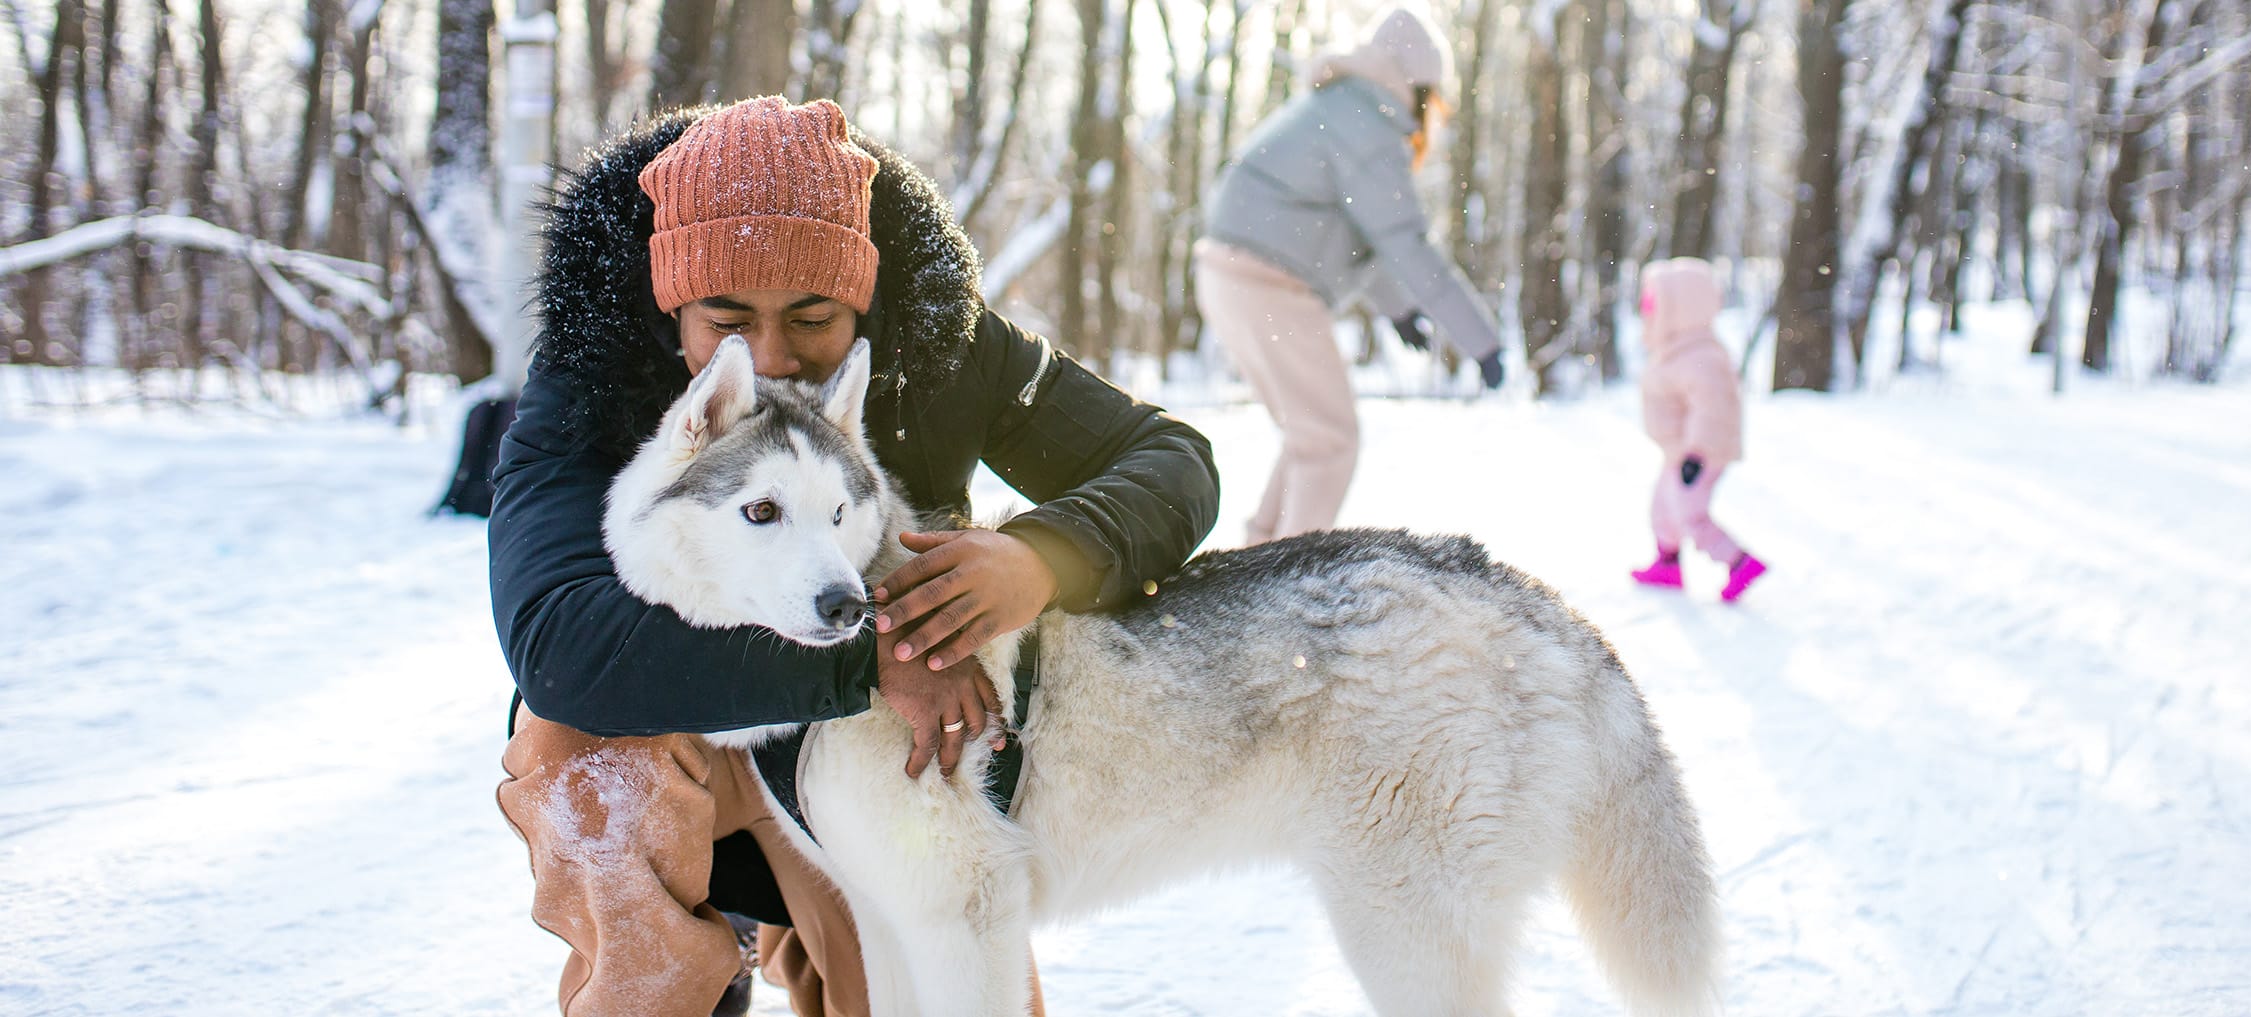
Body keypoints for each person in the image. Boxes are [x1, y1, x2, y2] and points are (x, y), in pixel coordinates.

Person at [486, 96, 1219, 1017]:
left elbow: (1171, 461)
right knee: (577, 757)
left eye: (812, 317)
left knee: (938, 976)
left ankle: (804, 933)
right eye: (726, 319)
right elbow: (558, 644)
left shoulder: (940, 348)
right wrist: (879, 655)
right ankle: (668, 985)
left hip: (874, 756)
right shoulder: (586, 381)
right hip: (690, 735)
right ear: (672, 308)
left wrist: (1040, 556)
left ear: (864, 300)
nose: (774, 356)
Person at [1193, 5, 1506, 547]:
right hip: (1268, 286)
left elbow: (1355, 241)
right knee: (1330, 441)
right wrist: (1482, 342)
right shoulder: (1368, 123)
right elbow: (1405, 244)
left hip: (1229, 277)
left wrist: (1400, 310)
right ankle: (1281, 601)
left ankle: (1254, 568)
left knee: (1308, 437)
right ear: (1419, 83)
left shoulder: (1339, 107)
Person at [1627, 257, 1769, 602]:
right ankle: (1668, 565)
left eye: (1653, 302)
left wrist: (1697, 453)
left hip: (1699, 453)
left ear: (1680, 308)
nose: (1648, 309)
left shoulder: (1701, 356)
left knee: (1689, 514)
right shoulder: (1674, 350)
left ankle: (1739, 563)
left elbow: (1714, 410)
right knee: (1663, 507)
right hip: (1679, 451)